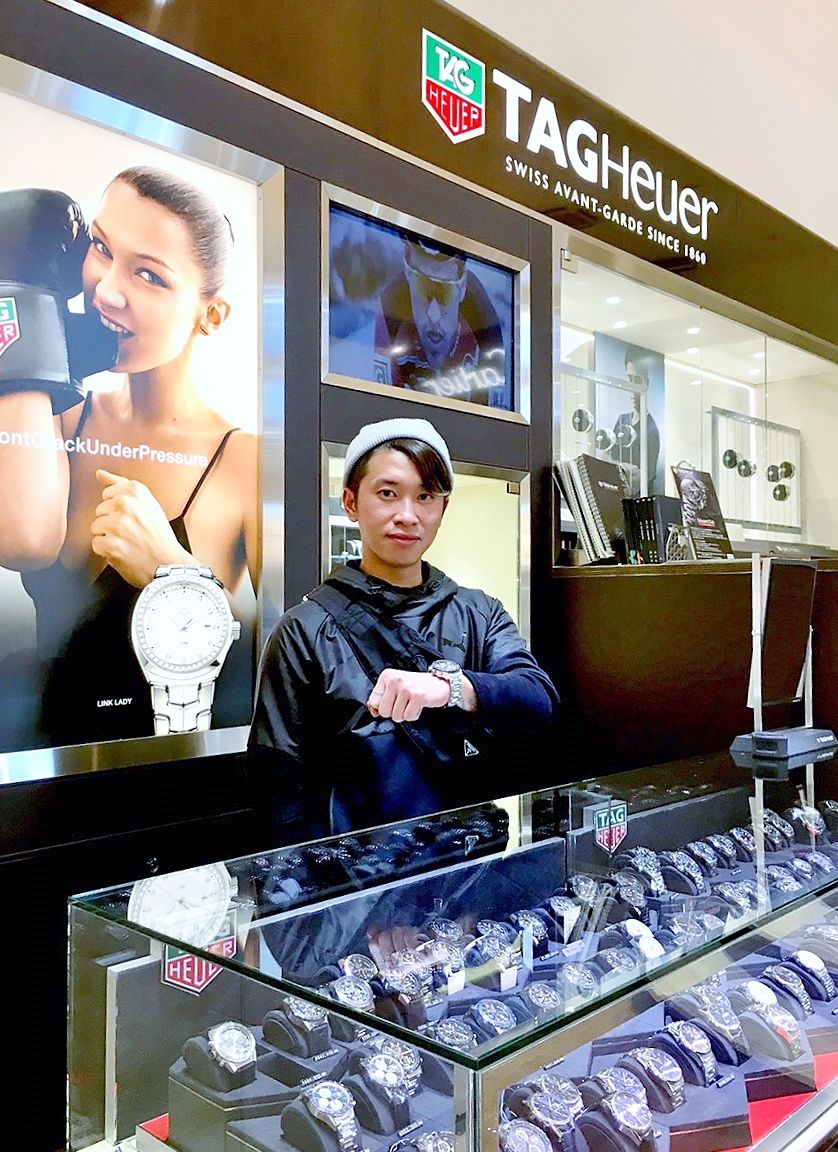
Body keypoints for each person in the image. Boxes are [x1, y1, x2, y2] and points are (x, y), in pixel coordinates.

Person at [0, 167, 258, 746]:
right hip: (40, 771)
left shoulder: (245, 461)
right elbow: (24, 540)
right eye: (100, 248)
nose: (105, 291)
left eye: (148, 275)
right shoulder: (56, 416)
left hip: (182, 774)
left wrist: (175, 572)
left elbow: (291, 659)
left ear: (211, 315)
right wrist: (23, 295)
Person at [247, 416, 559, 842]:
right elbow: (278, 785)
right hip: (354, 875)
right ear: (351, 502)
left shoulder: (479, 613)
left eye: (425, 496)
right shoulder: (304, 631)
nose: (407, 516)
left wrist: (452, 688)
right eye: (387, 493)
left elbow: (537, 698)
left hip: (469, 864)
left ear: (443, 509)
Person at [373, 240, 506, 406]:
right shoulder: (389, 310)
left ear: (462, 288)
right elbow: (383, 410)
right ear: (407, 275)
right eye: (422, 287)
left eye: (445, 292)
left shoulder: (486, 330)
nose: (433, 314)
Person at [608, 345, 661, 496]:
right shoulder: (622, 420)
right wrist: (626, 468)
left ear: (646, 383)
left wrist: (617, 467)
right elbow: (606, 460)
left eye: (636, 380)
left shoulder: (651, 430)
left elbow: (643, 478)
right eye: (629, 379)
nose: (631, 387)